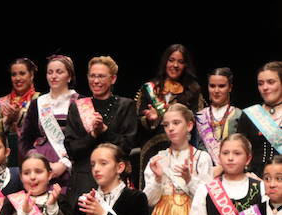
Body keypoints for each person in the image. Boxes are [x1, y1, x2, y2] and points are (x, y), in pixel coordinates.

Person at [64, 56, 137, 202]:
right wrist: (92, 135)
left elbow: (127, 146)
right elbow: (71, 149)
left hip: (114, 181)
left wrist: (104, 130)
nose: (96, 81)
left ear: (113, 79)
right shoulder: (77, 106)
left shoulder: (126, 105)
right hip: (83, 179)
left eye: (101, 76)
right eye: (92, 76)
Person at [134, 44, 206, 186]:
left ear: (186, 65)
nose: (175, 65)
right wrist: (150, 120)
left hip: (183, 151)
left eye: (180, 61)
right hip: (152, 150)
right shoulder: (148, 89)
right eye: (171, 60)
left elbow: (198, 122)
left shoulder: (193, 91)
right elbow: (135, 120)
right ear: (165, 62)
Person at [19, 55, 78, 188]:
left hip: (71, 167)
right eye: (50, 72)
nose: (53, 76)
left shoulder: (81, 102)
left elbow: (85, 140)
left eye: (59, 72)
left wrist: (65, 164)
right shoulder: (38, 103)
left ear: (69, 76)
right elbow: (25, 139)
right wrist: (36, 161)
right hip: (40, 170)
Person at [237, 61, 282, 179]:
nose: (265, 87)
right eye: (260, 83)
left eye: (271, 82)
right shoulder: (250, 114)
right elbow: (239, 150)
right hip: (254, 179)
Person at [0, 58, 40, 164]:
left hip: (33, 153)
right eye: (14, 74)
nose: (18, 78)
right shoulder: (3, 102)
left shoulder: (40, 99)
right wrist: (6, 121)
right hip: (8, 156)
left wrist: (19, 117)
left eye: (22, 73)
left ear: (31, 75)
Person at [194, 68, 242, 166]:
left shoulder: (239, 115)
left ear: (230, 88)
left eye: (221, 86)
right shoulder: (200, 117)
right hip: (204, 172)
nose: (216, 90)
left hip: (233, 170)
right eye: (212, 86)